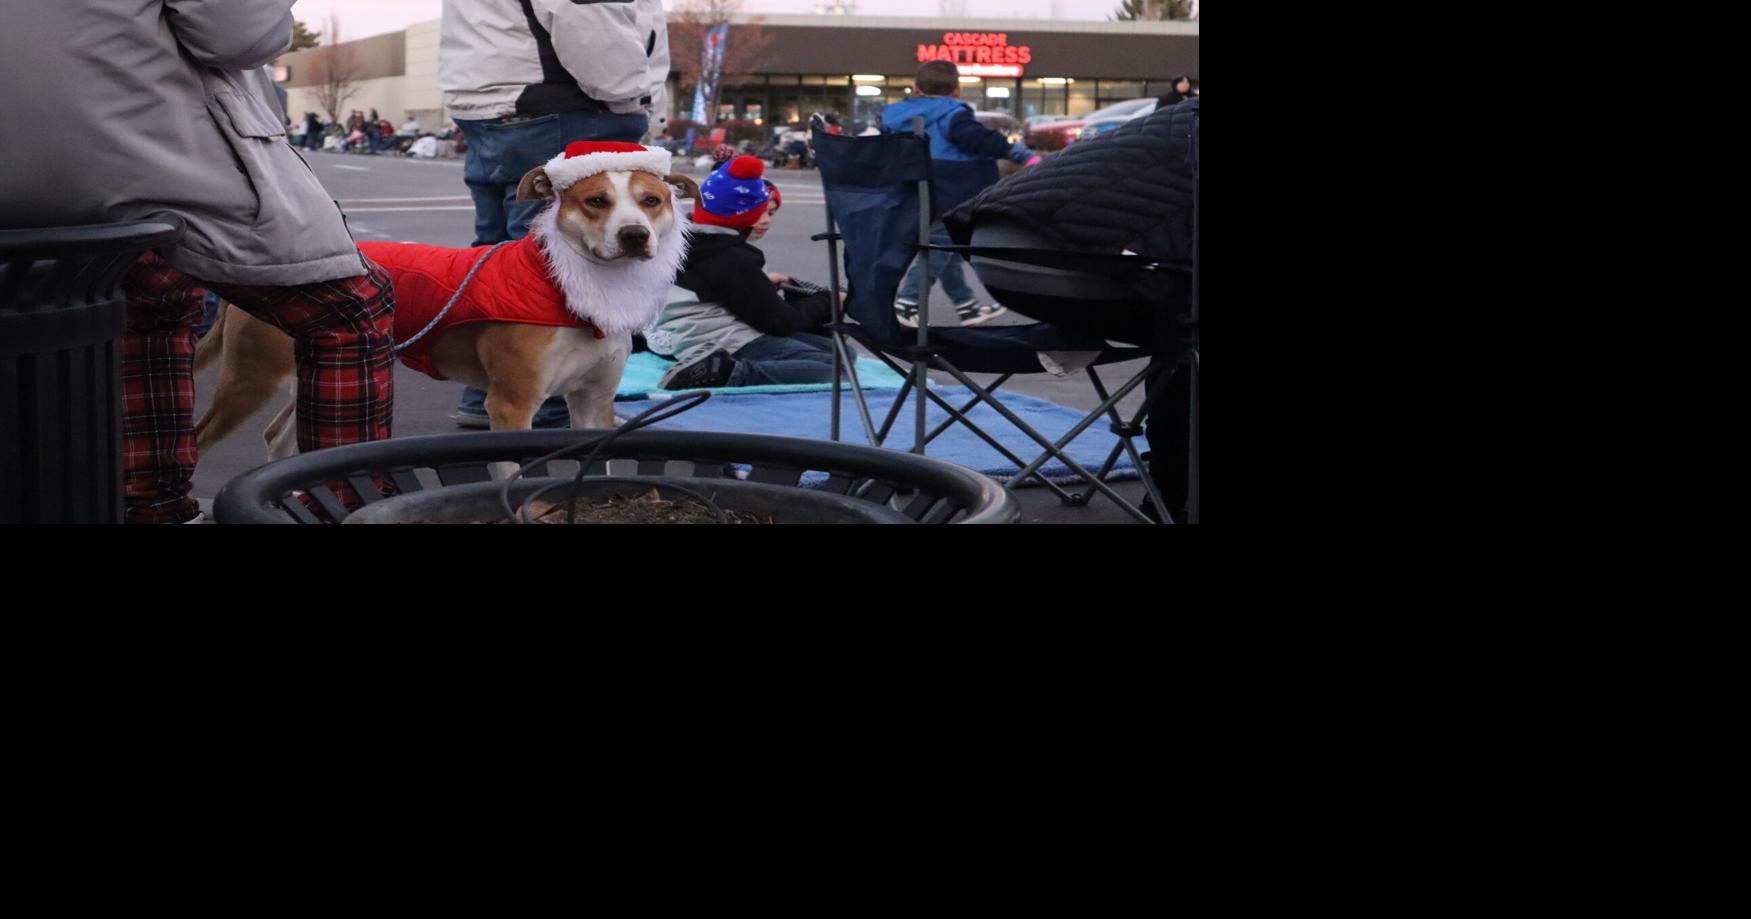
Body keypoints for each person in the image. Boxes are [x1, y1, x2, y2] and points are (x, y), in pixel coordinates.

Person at [0, 0, 396, 524]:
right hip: (132, 151)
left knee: (152, 292)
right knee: (350, 310)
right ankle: (346, 510)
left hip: (19, 164)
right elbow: (237, 34)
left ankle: (150, 504)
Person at [944, 99, 1199, 523]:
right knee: (1186, 340)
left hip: (994, 247)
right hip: (1067, 261)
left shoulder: (1177, 118)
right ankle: (1175, 498)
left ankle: (1171, 493)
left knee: (1177, 335)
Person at [439, 0, 670, 429]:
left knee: (498, 265)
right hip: (564, 102)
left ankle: (496, 394)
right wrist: (634, 98)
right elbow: (586, 20)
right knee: (556, 273)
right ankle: (536, 404)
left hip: (492, 99)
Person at [651, 158, 845, 391]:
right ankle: (727, 372)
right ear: (746, 213)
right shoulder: (730, 256)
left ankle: (716, 364)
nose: (765, 220)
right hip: (716, 338)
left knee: (834, 349)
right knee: (837, 366)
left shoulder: (684, 237)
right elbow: (778, 323)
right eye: (762, 211)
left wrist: (763, 285)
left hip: (676, 331)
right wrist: (827, 300)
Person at [881, 60, 1034, 328]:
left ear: (915, 88)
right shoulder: (953, 114)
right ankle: (908, 301)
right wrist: (1019, 153)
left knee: (944, 248)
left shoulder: (896, 116)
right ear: (957, 91)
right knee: (941, 245)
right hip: (951, 191)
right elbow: (977, 140)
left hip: (912, 189)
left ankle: (967, 306)